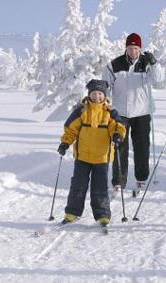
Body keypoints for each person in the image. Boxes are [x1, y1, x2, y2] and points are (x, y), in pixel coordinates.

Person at [103, 32, 164, 197]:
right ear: (126, 48)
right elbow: (106, 85)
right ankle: (118, 182)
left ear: (140, 48)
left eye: (136, 48)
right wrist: (107, 102)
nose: (133, 51)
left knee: (142, 147)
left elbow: (159, 79)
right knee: (119, 147)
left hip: (142, 112)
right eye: (130, 48)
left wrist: (155, 63)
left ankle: (141, 179)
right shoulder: (115, 64)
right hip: (120, 113)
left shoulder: (146, 63)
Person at [57, 79, 126, 225]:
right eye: (94, 93)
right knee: (78, 185)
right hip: (82, 157)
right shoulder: (81, 111)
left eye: (100, 94)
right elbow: (70, 129)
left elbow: (119, 126)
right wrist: (65, 143)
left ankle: (102, 215)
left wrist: (118, 135)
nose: (97, 97)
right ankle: (72, 213)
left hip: (102, 157)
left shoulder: (110, 112)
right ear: (89, 94)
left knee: (100, 187)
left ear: (104, 95)